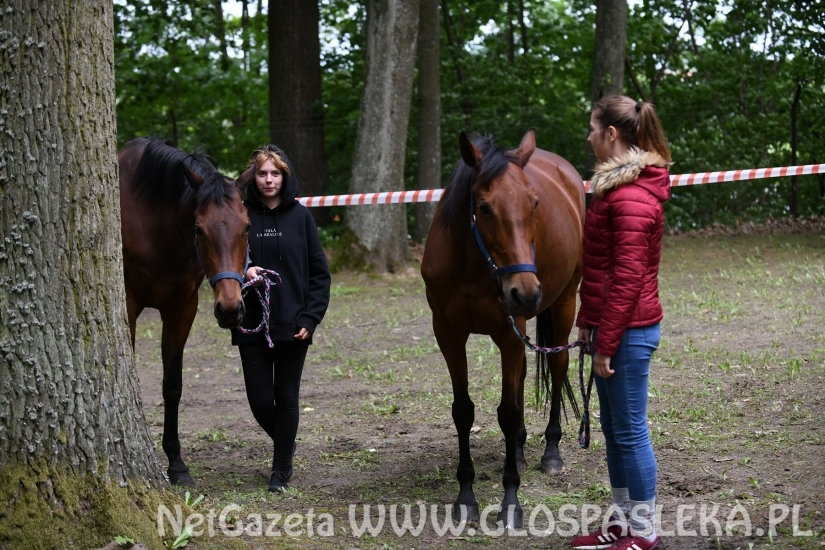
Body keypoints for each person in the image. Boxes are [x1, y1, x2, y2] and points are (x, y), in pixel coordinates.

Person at [570, 96, 671, 550]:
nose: (588, 136)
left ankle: (644, 532)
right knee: (614, 430)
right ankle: (624, 522)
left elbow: (628, 279)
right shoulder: (616, 189)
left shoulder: (630, 196)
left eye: (593, 128)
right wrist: (586, 321)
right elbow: (602, 269)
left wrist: (607, 340)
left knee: (630, 431)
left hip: (629, 333)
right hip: (614, 328)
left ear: (612, 134)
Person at [232, 145, 331, 492]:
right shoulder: (241, 215)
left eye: (275, 173)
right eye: (262, 173)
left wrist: (312, 316)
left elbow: (320, 274)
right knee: (260, 401)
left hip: (294, 324)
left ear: (285, 176)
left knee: (286, 397)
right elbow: (225, 260)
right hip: (251, 322)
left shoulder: (302, 217)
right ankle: (286, 445)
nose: (269, 179)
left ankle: (281, 471)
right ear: (253, 178)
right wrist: (246, 270)